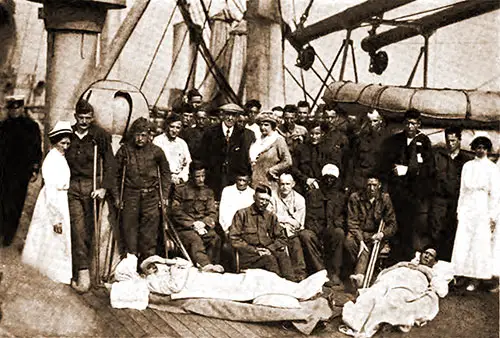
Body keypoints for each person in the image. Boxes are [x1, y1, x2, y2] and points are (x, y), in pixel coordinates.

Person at [340, 248, 454, 338]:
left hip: (409, 285)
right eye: (426, 253)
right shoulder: (407, 263)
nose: (427, 256)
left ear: (435, 261)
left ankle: (375, 325)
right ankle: (359, 323)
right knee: (373, 295)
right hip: (391, 280)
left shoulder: (432, 272)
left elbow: (441, 290)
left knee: (391, 300)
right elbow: (384, 273)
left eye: (431, 255)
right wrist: (400, 265)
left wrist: (423, 270)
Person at [66, 99, 116, 293]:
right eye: (81, 117)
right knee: (77, 229)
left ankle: (83, 266)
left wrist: (104, 188)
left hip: (92, 186)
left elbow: (110, 164)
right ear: (75, 116)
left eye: (88, 118)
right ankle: (82, 272)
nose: (84, 121)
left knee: (88, 230)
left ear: (92, 118)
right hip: (72, 186)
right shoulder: (68, 134)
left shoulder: (99, 136)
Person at [379, 109, 435, 260]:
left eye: (413, 124)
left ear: (418, 124)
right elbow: (386, 163)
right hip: (396, 190)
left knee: (409, 225)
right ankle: (393, 257)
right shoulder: (395, 141)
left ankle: (406, 256)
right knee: (394, 223)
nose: (410, 127)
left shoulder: (424, 143)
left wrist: (408, 170)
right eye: (408, 123)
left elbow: (428, 168)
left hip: (413, 192)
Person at [22, 121, 73, 284]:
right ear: (55, 142)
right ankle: (51, 272)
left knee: (51, 237)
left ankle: (48, 270)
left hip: (59, 197)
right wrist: (56, 217)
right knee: (53, 233)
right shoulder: (52, 160)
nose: (65, 146)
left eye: (67, 142)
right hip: (53, 200)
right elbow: (51, 190)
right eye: (62, 143)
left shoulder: (60, 157)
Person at [115, 117, 171, 266]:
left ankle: (147, 263)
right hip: (130, 195)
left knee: (149, 230)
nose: (140, 139)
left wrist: (164, 195)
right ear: (133, 135)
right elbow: (114, 174)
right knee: (129, 229)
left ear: (149, 135)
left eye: (143, 135)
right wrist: (116, 197)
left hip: (151, 196)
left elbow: (166, 173)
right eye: (137, 135)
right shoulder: (125, 150)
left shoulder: (157, 151)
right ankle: (131, 263)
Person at [452, 136, 500, 291]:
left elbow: (495, 194)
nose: (480, 150)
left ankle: (476, 278)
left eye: (483, 148)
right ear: (474, 148)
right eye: (478, 147)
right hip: (467, 206)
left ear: (487, 150)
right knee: (464, 241)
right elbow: (462, 190)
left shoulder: (492, 168)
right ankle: (462, 274)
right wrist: (460, 210)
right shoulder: (467, 166)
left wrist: (492, 215)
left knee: (478, 244)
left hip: (482, 206)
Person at [0, 95, 42, 247]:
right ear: (8, 110)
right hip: (4, 171)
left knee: (17, 202)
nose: (15, 111)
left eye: (17, 107)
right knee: (3, 201)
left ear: (22, 108)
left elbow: (37, 148)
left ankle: (9, 235)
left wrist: (35, 169)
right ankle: (3, 230)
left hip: (21, 172)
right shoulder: (3, 126)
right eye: (12, 108)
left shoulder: (31, 127)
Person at [229, 184, 295, 280]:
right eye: (261, 199)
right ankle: (277, 287)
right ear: (254, 197)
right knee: (269, 260)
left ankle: (291, 285)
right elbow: (234, 239)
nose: (264, 203)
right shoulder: (242, 214)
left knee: (283, 256)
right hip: (249, 256)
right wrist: (255, 250)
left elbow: (282, 238)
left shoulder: (271, 216)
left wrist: (270, 249)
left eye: (267, 200)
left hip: (268, 251)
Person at [344, 175, 397, 288]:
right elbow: (352, 222)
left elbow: (392, 224)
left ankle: (359, 276)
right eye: (369, 185)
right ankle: (359, 274)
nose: (371, 188)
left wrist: (382, 234)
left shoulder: (384, 199)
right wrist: (361, 240)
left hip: (375, 234)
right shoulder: (355, 197)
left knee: (367, 248)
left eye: (374, 185)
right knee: (350, 243)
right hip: (358, 232)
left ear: (379, 185)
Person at [171, 161, 224, 272]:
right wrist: (193, 224)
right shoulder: (180, 190)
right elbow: (176, 211)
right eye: (197, 176)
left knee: (215, 238)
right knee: (194, 239)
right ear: (190, 176)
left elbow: (212, 213)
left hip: (203, 226)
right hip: (185, 228)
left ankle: (213, 265)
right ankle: (205, 266)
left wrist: (203, 223)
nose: (201, 179)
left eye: (203, 176)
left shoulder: (208, 192)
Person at [430, 127, 473, 261]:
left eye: (454, 141)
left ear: (460, 140)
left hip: (457, 201)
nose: (451, 144)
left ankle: (450, 263)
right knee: (436, 230)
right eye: (448, 141)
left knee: (454, 232)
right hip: (440, 200)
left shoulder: (467, 159)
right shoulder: (438, 157)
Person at [300, 164, 347, 286]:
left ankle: (334, 273)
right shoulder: (312, 195)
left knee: (339, 233)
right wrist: (316, 229)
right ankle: (320, 271)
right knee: (305, 235)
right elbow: (309, 216)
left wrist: (334, 225)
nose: (329, 181)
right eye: (326, 178)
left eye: (332, 178)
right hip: (316, 230)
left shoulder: (340, 197)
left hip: (331, 231)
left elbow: (343, 216)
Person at [200, 103, 254, 199]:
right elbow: (203, 156)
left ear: (237, 117)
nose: (230, 118)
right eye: (227, 114)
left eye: (233, 115)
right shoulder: (210, 132)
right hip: (214, 178)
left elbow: (245, 159)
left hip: (234, 179)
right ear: (222, 115)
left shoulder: (245, 134)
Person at [270, 174, 308, 281]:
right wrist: (286, 220)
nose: (285, 187)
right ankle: (281, 274)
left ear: (293, 184)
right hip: (275, 229)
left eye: (287, 184)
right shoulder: (272, 197)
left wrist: (286, 224)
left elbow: (297, 223)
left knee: (295, 242)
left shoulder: (299, 199)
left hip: (293, 231)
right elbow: (270, 216)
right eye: (282, 184)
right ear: (278, 184)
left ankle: (299, 272)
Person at [347, 109, 390, 191]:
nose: (372, 124)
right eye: (370, 121)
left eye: (375, 121)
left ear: (381, 121)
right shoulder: (361, 138)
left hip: (378, 179)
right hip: (361, 178)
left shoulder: (387, 139)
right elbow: (353, 160)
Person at [249, 112, 292, 192]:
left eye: (266, 125)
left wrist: (272, 170)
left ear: (273, 126)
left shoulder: (278, 140)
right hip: (255, 181)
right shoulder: (257, 141)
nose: (262, 127)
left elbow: (288, 161)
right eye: (261, 125)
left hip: (270, 182)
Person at [292, 122, 336, 194]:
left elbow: (332, 168)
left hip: (323, 186)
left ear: (322, 134)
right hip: (304, 185)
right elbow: (294, 167)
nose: (314, 137)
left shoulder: (328, 149)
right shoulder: (300, 148)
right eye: (311, 134)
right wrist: (306, 179)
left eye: (317, 134)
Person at [153, 114, 192, 186]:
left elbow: (188, 163)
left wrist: (181, 177)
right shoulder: (158, 141)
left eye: (178, 128)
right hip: (161, 180)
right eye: (172, 127)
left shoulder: (182, 143)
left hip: (179, 181)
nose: (174, 130)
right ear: (167, 126)